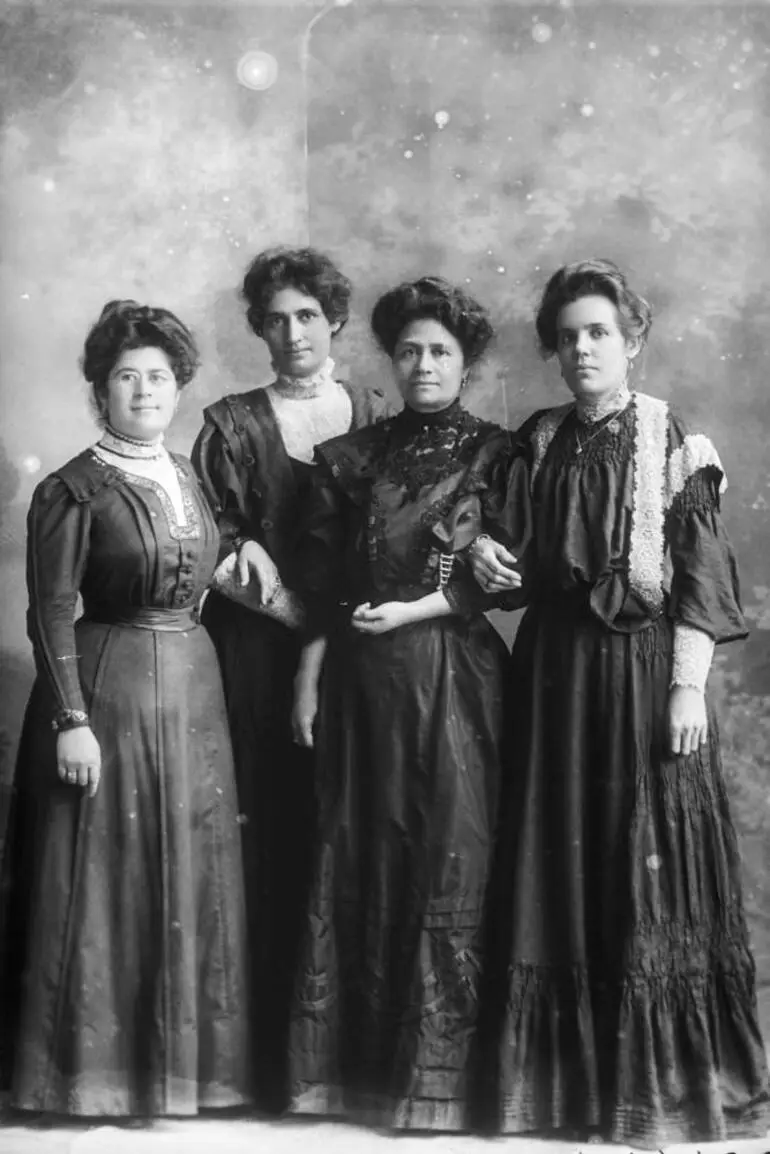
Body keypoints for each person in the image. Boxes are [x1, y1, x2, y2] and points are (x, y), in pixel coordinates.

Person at [469, 259, 770, 1147]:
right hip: (554, 676)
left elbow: (701, 578)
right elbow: (509, 553)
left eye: (599, 332)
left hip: (641, 676)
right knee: (557, 865)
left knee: (646, 861)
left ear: (632, 341)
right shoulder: (539, 438)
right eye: (568, 337)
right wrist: (488, 554)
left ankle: (659, 1089)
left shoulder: (670, 437)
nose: (582, 349)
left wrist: (686, 685)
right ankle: (566, 1090)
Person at [0, 301, 251, 1118]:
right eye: (125, 377)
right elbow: (48, 610)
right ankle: (87, 1080)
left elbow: (196, 570)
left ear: (178, 387)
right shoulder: (71, 489)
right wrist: (72, 720)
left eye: (159, 377)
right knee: (102, 878)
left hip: (192, 692)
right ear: (99, 390)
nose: (144, 390)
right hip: (107, 693)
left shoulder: (187, 475)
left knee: (189, 872)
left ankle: (179, 1075)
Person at [286, 276, 525, 1131]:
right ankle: (354, 1080)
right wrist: (310, 677)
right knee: (361, 851)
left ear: (466, 363)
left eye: (441, 353)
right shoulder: (349, 460)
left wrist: (420, 607)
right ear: (390, 357)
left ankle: (442, 1088)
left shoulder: (500, 454)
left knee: (449, 856)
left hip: (455, 682)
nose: (424, 365)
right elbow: (322, 588)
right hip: (361, 684)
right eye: (411, 351)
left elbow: (498, 584)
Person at [191, 246, 391, 1113]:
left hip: (361, 648)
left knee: (352, 828)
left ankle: (354, 1062)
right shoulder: (230, 425)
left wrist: (331, 626)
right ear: (258, 329)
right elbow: (207, 542)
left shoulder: (378, 410)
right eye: (275, 318)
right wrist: (242, 545)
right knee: (268, 826)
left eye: (308, 315)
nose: (292, 333)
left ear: (337, 320)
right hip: (255, 656)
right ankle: (267, 1069)